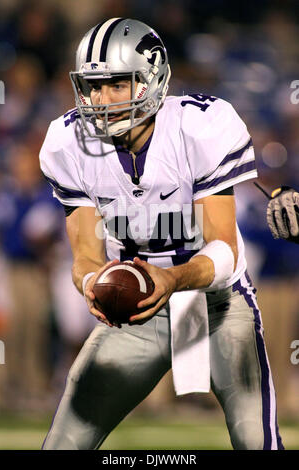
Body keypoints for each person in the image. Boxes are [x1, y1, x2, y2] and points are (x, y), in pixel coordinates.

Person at [39, 18, 283, 450]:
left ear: (152, 79)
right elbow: (85, 259)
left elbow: (224, 249)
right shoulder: (67, 141)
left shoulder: (199, 126)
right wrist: (97, 285)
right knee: (64, 442)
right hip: (135, 310)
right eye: (93, 86)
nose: (100, 99)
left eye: (116, 84)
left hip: (217, 304)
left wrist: (171, 279)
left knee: (256, 440)